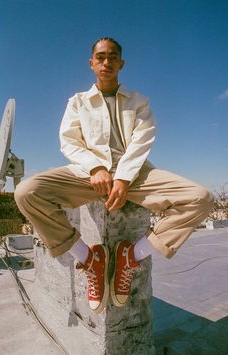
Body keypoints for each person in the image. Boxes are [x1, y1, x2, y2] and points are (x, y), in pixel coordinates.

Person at [15, 37, 213, 314]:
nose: (106, 62)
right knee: (26, 193)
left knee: (201, 198)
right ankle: (89, 259)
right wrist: (95, 168)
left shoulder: (139, 101)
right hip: (87, 174)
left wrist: (122, 177)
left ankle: (131, 257)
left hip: (135, 174)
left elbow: (142, 141)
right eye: (101, 57)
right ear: (91, 63)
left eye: (113, 57)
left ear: (122, 63)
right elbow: (69, 142)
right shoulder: (78, 102)